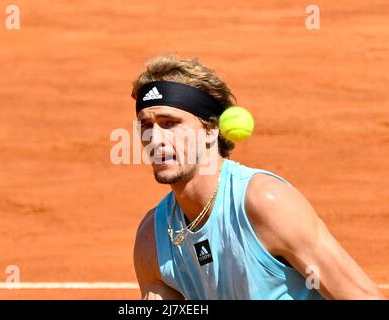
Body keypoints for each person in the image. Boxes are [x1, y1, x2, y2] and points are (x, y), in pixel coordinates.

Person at [132, 54, 384, 300]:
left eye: (170, 123)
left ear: (211, 131)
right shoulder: (153, 239)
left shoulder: (264, 203)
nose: (155, 140)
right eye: (146, 125)